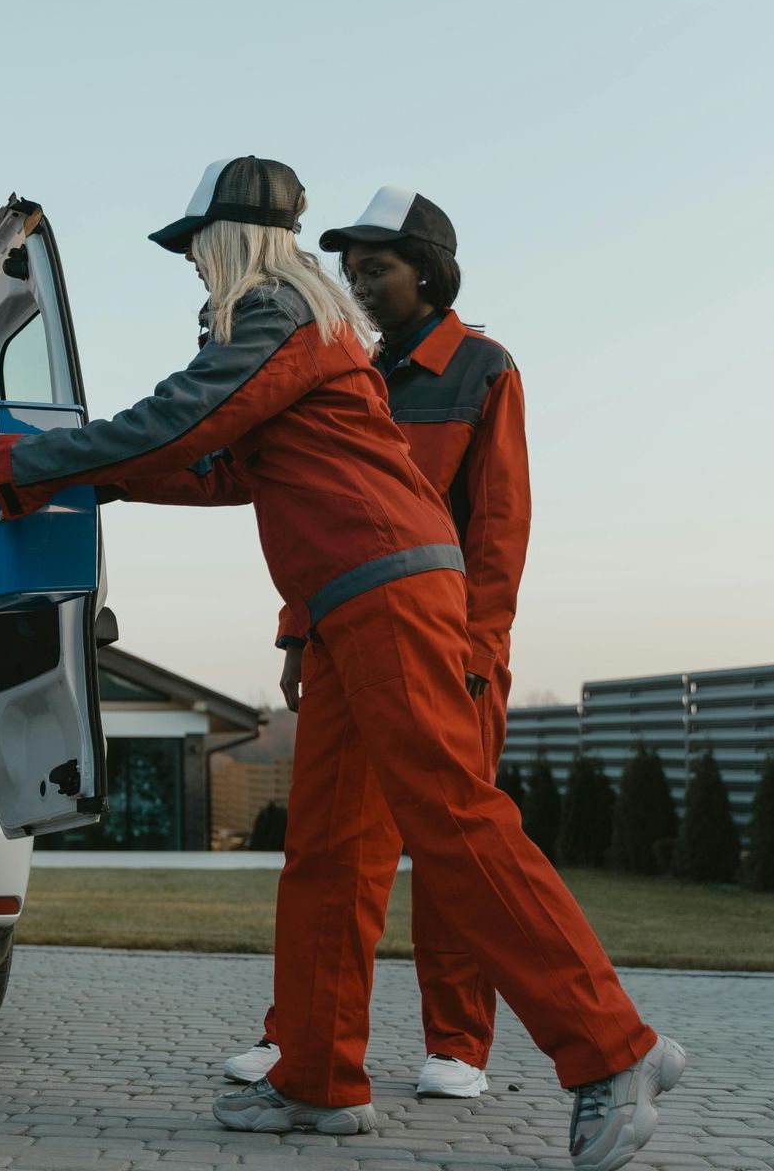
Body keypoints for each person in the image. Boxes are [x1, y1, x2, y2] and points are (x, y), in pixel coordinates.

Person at [0, 157, 682, 1170]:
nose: (192, 271)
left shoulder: (276, 313)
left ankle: (617, 1048)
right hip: (345, 607)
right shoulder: (306, 332)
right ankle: (317, 1079)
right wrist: (68, 481)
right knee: (330, 855)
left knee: (452, 819)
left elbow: (183, 414)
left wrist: (25, 462)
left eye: (194, 249)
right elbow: (212, 464)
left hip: (391, 591)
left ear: (230, 241)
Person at [225, 187, 530, 1102]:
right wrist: (295, 638)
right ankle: (303, 1044)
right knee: (335, 853)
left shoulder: (484, 369)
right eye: (350, 268)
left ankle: (459, 1044)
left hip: (451, 645)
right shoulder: (343, 362)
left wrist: (476, 652)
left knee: (450, 848)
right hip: (346, 636)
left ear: (430, 271)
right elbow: (309, 511)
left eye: (378, 266)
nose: (358, 281)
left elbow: (500, 531)